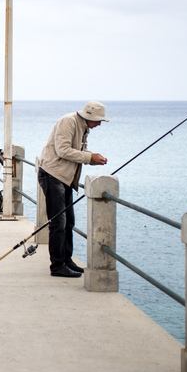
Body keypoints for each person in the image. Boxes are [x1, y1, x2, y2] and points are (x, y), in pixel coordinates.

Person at [36, 101, 109, 278]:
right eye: (98, 120)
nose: (99, 124)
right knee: (58, 223)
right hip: (53, 175)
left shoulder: (83, 127)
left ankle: (66, 259)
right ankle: (57, 265)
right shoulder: (68, 122)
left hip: (64, 178)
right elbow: (63, 151)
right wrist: (90, 157)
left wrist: (92, 158)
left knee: (69, 222)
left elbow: (75, 151)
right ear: (90, 117)